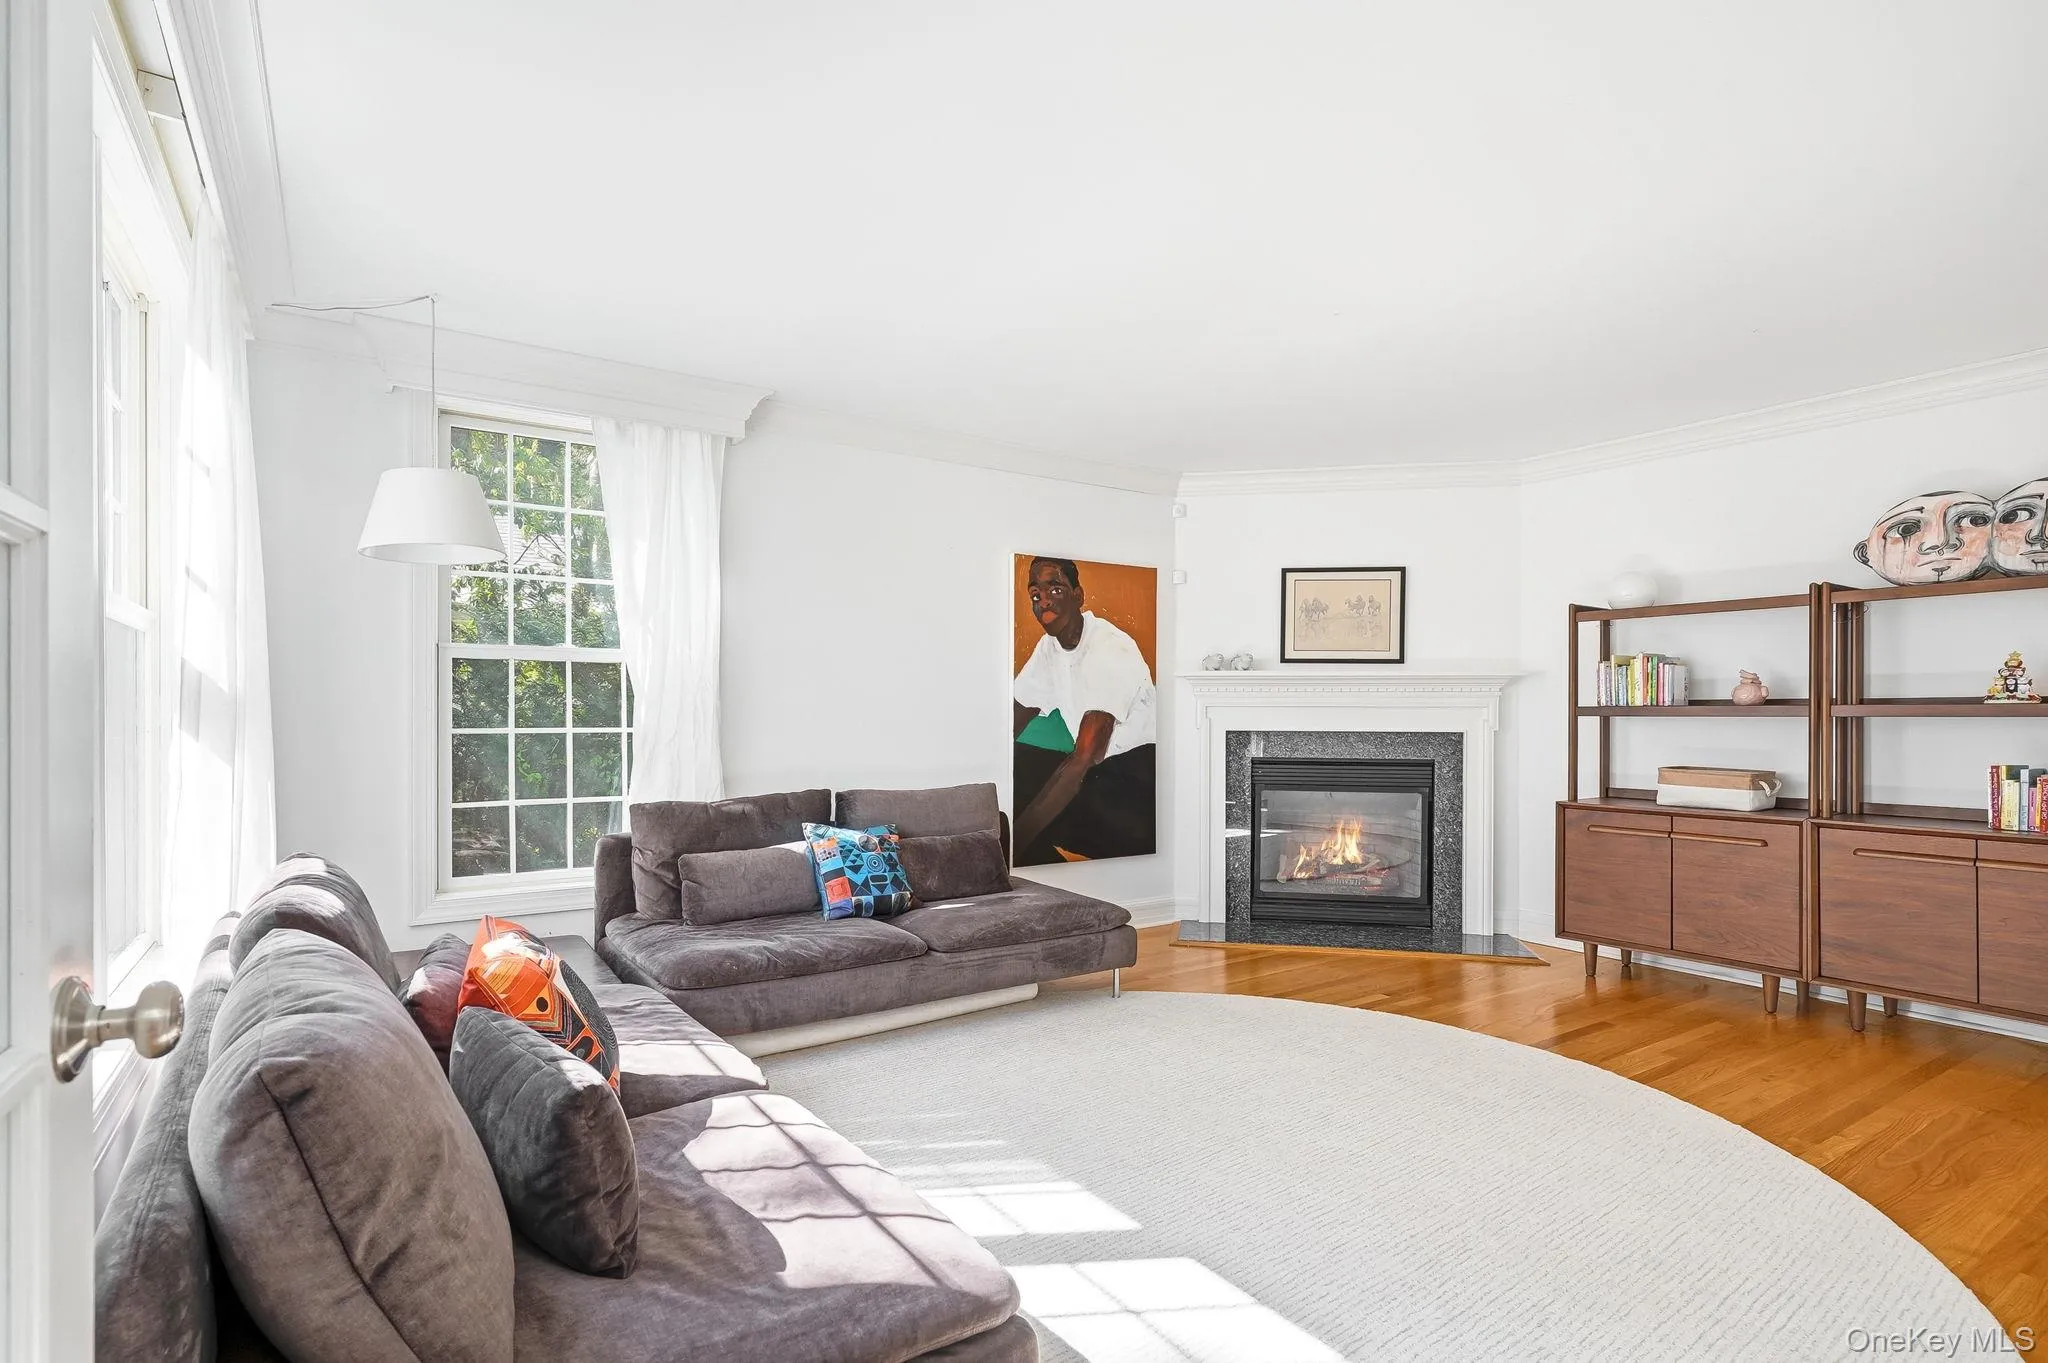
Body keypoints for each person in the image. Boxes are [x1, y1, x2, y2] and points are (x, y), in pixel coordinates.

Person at [1012, 556, 1157, 862]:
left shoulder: (1110, 647)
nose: (1044, 601)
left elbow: (1084, 758)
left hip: (1136, 789)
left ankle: (1014, 860)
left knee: (1024, 811)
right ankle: (1042, 876)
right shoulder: (1049, 648)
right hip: (1099, 775)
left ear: (1078, 596)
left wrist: (1012, 843)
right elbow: (1009, 721)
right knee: (1013, 764)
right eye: (1036, 594)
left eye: (1055, 589)